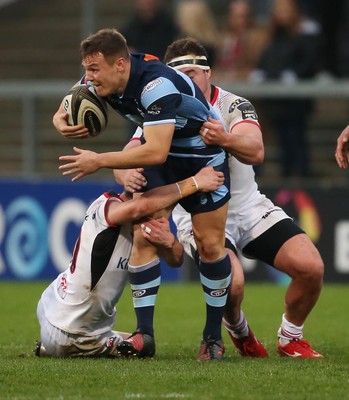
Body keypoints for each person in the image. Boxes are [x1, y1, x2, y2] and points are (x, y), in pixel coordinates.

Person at [53, 28, 232, 361]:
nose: (88, 78)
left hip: (202, 154)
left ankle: (212, 336)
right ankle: (144, 334)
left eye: (94, 70)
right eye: (87, 70)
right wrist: (58, 119)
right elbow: (68, 101)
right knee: (145, 233)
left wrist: (99, 160)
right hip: (165, 153)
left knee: (210, 245)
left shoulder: (157, 86)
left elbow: (155, 152)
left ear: (120, 64)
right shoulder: (103, 76)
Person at [163, 37, 323, 358]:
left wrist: (224, 137)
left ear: (209, 72)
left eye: (193, 72)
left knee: (311, 268)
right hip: (200, 212)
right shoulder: (163, 113)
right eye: (179, 77)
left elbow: (257, 151)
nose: (186, 82)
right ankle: (239, 330)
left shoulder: (233, 105)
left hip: (248, 206)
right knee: (233, 285)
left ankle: (290, 337)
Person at [35, 166, 224, 358]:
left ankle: (48, 347)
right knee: (142, 350)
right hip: (75, 331)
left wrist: (170, 242)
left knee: (133, 339)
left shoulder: (143, 224)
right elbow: (139, 207)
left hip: (53, 307)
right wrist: (195, 182)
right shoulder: (106, 207)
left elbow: (176, 259)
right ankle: (58, 347)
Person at [250, 0, 321, 178]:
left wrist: (295, 74)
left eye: (285, 10)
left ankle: (303, 174)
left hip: (297, 100)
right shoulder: (272, 36)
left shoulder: (305, 33)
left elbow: (309, 61)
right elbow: (267, 58)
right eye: (278, 10)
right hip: (277, 101)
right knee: (281, 140)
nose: (282, 14)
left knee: (296, 137)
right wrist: (263, 72)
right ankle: (287, 175)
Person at [213, 0, 268, 82]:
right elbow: (217, 64)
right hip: (223, 82)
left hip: (247, 84)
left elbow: (254, 67)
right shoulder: (222, 38)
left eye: (242, 16)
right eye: (235, 16)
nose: (239, 21)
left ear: (249, 18)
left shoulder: (258, 38)